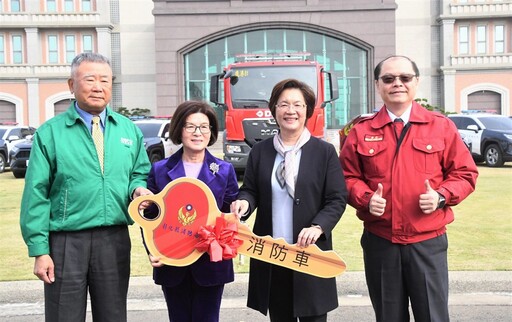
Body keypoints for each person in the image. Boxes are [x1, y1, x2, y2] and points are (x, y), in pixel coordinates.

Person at [339, 55, 479, 322]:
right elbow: (345, 178)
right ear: (378, 85)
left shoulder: (441, 126)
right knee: (389, 317)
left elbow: (465, 173)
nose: (397, 84)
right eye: (389, 79)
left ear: (416, 82)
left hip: (427, 242)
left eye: (405, 78)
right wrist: (366, 198)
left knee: (433, 316)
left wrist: (441, 196)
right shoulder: (360, 130)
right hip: (381, 241)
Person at [19, 52, 152, 322]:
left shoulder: (128, 130)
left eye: (105, 80)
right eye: (89, 79)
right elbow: (36, 194)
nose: (98, 87)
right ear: (71, 85)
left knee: (113, 315)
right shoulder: (51, 133)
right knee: (63, 316)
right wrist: (40, 250)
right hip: (66, 242)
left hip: (113, 240)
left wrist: (138, 189)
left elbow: (139, 173)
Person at [231, 79, 348, 322]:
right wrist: (244, 203)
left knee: (313, 316)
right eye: (284, 104)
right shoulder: (260, 151)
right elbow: (250, 190)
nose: (290, 111)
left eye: (298, 105)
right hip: (272, 253)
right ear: (274, 109)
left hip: (309, 253)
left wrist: (318, 227)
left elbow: (336, 199)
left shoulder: (323, 152)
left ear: (307, 110)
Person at [144, 100, 239, 322]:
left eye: (204, 127)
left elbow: (231, 215)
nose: (198, 133)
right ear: (179, 130)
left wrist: (238, 211)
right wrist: (151, 248)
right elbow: (149, 217)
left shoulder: (224, 170)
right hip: (171, 263)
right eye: (190, 126)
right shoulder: (160, 170)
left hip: (211, 265)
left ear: (212, 131)